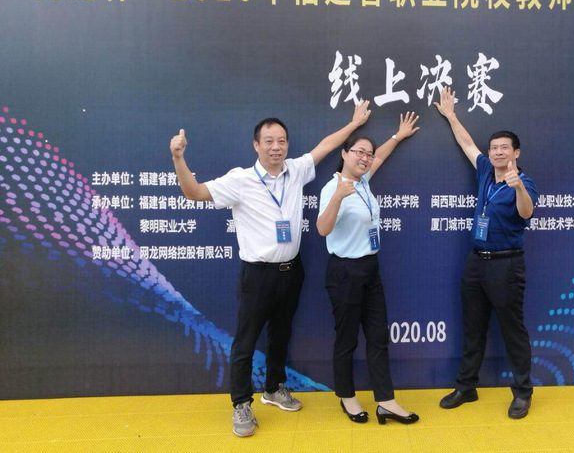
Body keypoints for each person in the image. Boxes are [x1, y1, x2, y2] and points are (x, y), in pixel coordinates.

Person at [168, 100, 373, 437]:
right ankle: (241, 404)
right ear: (256, 145)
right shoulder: (241, 180)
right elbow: (195, 193)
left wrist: (353, 125)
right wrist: (178, 158)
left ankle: (274, 388)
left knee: (281, 333)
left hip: (292, 271)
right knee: (246, 340)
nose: (276, 147)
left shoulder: (296, 170)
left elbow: (325, 146)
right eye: (269, 141)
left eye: (281, 141)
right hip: (258, 274)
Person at [433, 86, 539, 420]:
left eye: (504, 148)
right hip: (476, 262)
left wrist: (518, 188)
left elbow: (526, 213)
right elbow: (467, 143)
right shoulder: (484, 172)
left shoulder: (524, 183)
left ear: (516, 152)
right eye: (494, 148)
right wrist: (451, 115)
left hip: (507, 265)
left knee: (512, 330)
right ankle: (467, 387)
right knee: (473, 327)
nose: (497, 152)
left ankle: (522, 392)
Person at [316, 112, 421, 425]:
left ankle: (386, 401)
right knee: (347, 338)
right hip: (344, 272)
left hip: (370, 269)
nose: (365, 158)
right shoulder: (332, 188)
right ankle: (346, 396)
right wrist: (337, 197)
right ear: (344, 154)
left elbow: (381, 157)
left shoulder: (363, 181)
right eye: (358, 152)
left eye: (368, 154)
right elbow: (322, 229)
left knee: (378, 336)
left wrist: (398, 136)